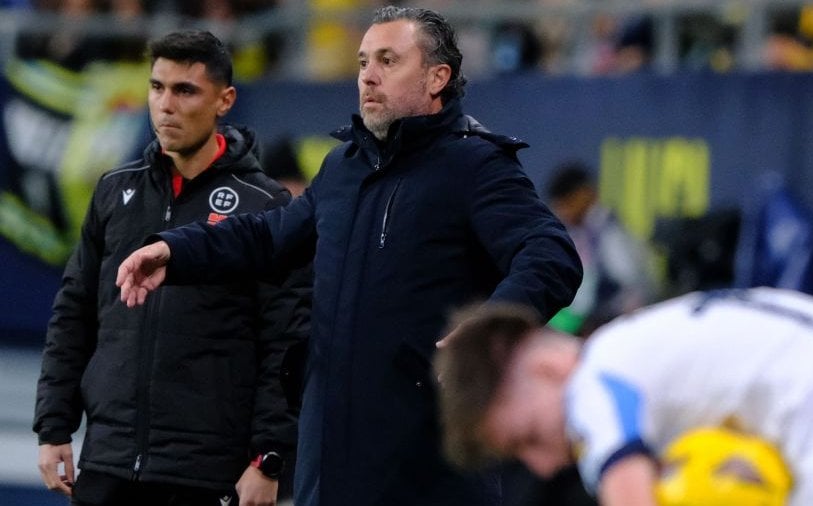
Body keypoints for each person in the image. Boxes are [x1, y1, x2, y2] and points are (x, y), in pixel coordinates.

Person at [115, 6, 582, 506]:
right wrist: (177, 250)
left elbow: (550, 253)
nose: (368, 76)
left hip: (429, 468)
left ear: (437, 77)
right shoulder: (343, 166)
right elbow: (269, 236)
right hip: (331, 464)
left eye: (387, 60)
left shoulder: (475, 164)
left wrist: (488, 331)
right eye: (362, 62)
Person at [33, 29, 303, 506]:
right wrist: (54, 426)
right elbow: (74, 313)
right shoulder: (114, 190)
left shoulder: (264, 205)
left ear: (224, 100)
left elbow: (287, 341)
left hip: (206, 472)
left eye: (185, 91)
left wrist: (269, 456)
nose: (165, 105)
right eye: (157, 87)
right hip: (109, 460)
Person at [435, 287, 813, 506]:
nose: (541, 465)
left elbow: (630, 497)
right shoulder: (642, 340)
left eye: (529, 438)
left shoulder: (594, 382)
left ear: (549, 366)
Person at [545, 161, 658, 336]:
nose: (562, 213)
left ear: (584, 194)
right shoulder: (580, 231)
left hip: (615, 325)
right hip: (588, 321)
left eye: (565, 204)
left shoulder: (611, 231)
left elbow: (630, 284)